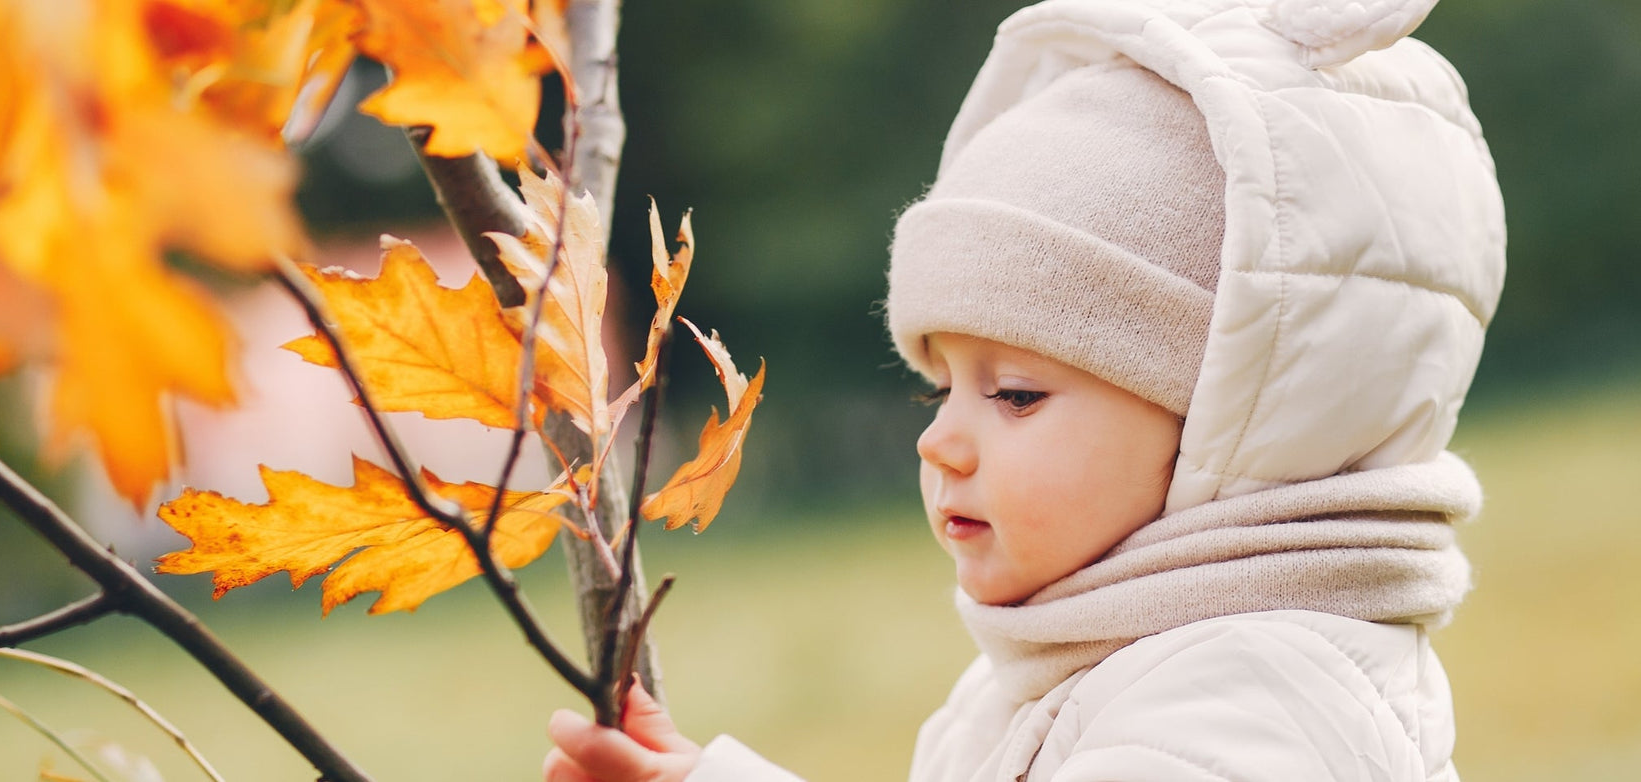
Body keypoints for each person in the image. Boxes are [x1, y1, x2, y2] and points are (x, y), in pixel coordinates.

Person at [544, 0, 1504, 777]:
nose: (940, 443)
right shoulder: (1068, 675)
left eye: (1013, 396)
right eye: (939, 390)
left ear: (1229, 420)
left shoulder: (1254, 695)